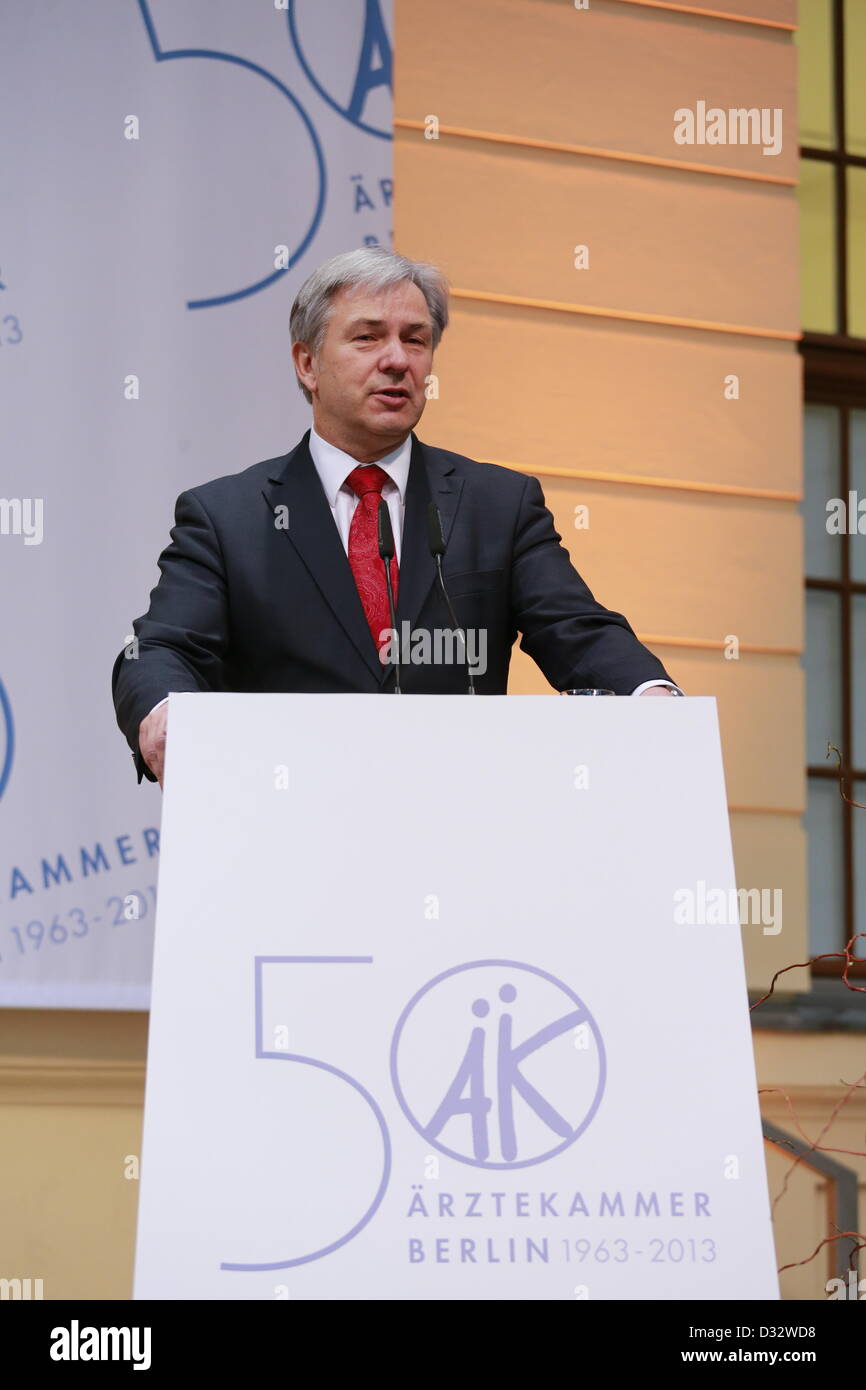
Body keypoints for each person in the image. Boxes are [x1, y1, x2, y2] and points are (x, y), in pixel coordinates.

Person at [112, 246, 682, 787]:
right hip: (287, 829)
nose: (397, 360)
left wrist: (649, 694)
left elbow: (576, 631)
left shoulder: (498, 505)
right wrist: (165, 710)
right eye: (367, 338)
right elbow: (160, 650)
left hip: (461, 827)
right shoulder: (227, 517)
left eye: (416, 340)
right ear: (307, 363)